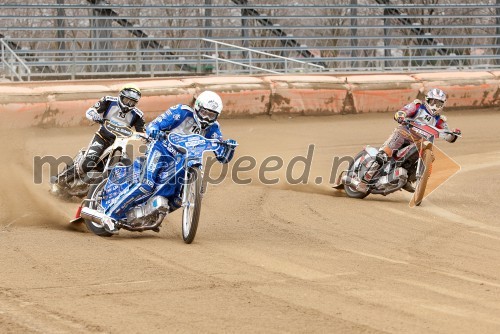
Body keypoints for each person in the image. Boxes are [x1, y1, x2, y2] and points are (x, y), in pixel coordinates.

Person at [101, 90, 237, 234]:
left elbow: (222, 157)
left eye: (212, 115)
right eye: (204, 113)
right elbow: (154, 125)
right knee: (146, 185)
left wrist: (229, 148)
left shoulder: (214, 128)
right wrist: (154, 131)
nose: (207, 118)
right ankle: (109, 215)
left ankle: (151, 214)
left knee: (182, 197)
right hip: (161, 151)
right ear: (198, 108)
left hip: (185, 160)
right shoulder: (180, 112)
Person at [51, 83, 145, 190]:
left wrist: (149, 137)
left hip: (120, 143)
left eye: (132, 102)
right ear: (121, 96)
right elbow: (90, 111)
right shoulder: (108, 100)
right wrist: (95, 116)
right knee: (88, 163)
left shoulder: (138, 115)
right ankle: (59, 180)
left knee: (127, 165)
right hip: (102, 138)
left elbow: (143, 132)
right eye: (127, 100)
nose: (128, 104)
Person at [365, 88, 461, 181]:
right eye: (433, 102)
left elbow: (448, 136)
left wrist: (454, 134)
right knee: (384, 155)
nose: (435, 106)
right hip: (405, 133)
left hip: (419, 142)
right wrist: (401, 116)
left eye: (439, 103)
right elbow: (403, 111)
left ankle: (409, 179)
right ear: (427, 100)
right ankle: (366, 178)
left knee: (430, 157)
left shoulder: (440, 120)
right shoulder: (418, 106)